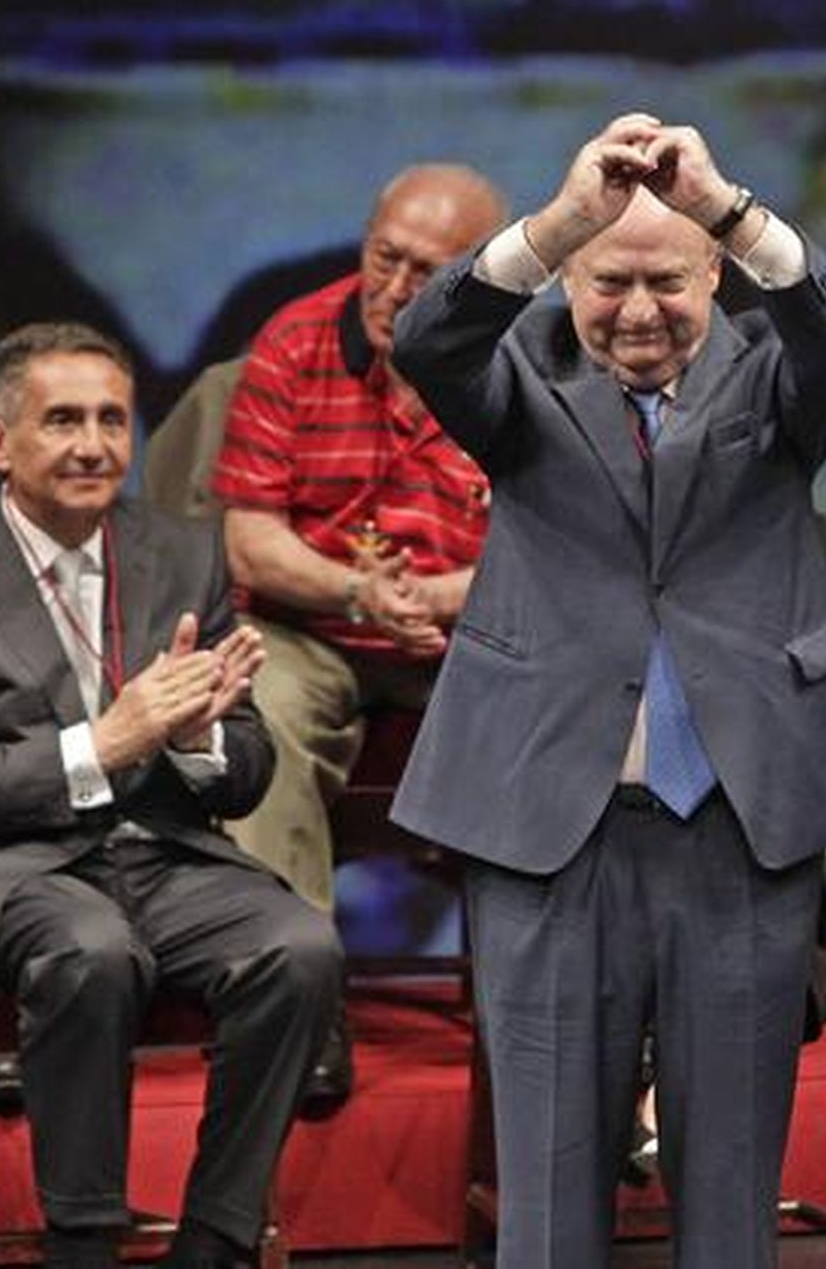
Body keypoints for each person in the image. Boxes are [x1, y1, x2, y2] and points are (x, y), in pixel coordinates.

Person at [388, 113, 826, 1268]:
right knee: (552, 1197)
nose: (636, 311)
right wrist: (563, 214)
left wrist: (725, 200)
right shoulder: (517, 376)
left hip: (739, 822)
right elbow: (427, 340)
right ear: (566, 276)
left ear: (713, 272)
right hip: (546, 830)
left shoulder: (778, 378)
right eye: (605, 280)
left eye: (666, 281)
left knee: (727, 1201)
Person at [0, 322, 343, 1268]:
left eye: (113, 419)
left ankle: (215, 1241)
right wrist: (99, 746)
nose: (94, 445)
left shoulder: (183, 552)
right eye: (62, 420)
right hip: (2, 869)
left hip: (159, 849)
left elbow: (249, 764)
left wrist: (196, 742)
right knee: (90, 949)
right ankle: (83, 1239)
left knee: (299, 946)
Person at [204, 164, 506, 1098]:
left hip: (472, 629)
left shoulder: (527, 362)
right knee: (263, 706)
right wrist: (359, 594)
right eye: (385, 260)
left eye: (428, 273)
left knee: (564, 705)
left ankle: (543, 1012)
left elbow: (568, 538)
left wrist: (450, 598)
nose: (396, 290)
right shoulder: (295, 341)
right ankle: (297, 1006)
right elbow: (249, 542)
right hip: (318, 628)